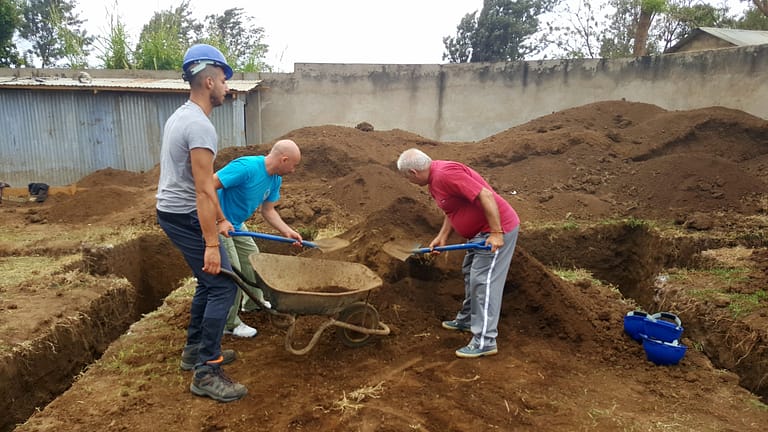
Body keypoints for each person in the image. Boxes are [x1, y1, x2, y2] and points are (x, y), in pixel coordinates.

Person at [155, 43, 247, 403]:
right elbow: (203, 191)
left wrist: (223, 221)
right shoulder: (200, 127)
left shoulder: (181, 116)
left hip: (175, 211)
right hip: (185, 214)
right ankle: (206, 370)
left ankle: (195, 351)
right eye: (224, 80)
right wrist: (212, 242)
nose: (227, 87)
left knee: (209, 284)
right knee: (223, 285)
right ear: (209, 81)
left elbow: (207, 188)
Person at [396, 148, 520, 358]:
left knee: (484, 281)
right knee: (470, 272)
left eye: (406, 178)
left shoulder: (446, 174)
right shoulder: (435, 178)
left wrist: (497, 233)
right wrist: (442, 236)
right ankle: (468, 319)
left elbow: (485, 195)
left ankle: (485, 341)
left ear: (413, 173)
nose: (408, 181)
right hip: (480, 233)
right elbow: (453, 209)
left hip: (496, 230)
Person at [216, 139, 303, 337]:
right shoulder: (246, 167)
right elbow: (208, 186)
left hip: (236, 224)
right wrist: (220, 219)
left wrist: (287, 231)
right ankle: (229, 324)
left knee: (253, 260)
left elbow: (268, 210)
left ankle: (252, 304)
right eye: (294, 165)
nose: (293, 170)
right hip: (216, 222)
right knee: (233, 273)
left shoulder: (275, 179)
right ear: (284, 159)